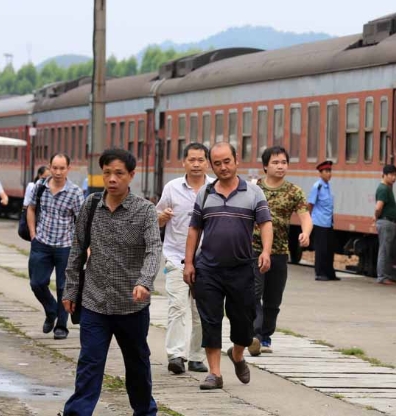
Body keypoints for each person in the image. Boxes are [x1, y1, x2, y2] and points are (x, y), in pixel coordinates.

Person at [62, 148, 161, 416]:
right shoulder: (91, 205)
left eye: (118, 173)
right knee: (90, 363)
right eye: (107, 173)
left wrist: (145, 282)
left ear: (131, 175)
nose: (112, 179)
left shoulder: (145, 211)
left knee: (137, 364)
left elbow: (154, 249)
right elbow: (77, 249)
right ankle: (77, 413)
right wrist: (70, 289)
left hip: (132, 305)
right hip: (95, 303)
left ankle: (144, 411)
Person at [184, 142, 272, 391]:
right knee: (210, 320)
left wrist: (265, 251)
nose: (223, 167)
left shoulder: (254, 193)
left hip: (242, 268)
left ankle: (237, 354)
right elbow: (194, 229)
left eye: (227, 162)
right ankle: (214, 373)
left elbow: (265, 223)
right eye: (218, 163)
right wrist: (189, 262)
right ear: (212, 165)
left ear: (237, 161)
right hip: (208, 269)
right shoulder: (205, 193)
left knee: (244, 322)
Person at [248, 146, 312, 356]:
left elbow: (304, 216)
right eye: (275, 162)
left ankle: (266, 336)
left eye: (283, 162)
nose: (280, 166)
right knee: (254, 294)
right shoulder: (254, 188)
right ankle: (255, 336)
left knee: (273, 299)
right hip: (255, 250)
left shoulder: (294, 191)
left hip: (279, 252)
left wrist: (306, 232)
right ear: (265, 166)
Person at [156, 142, 212, 375]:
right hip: (176, 257)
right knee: (178, 307)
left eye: (200, 160)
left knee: (201, 311)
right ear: (184, 162)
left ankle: (197, 357)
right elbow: (156, 219)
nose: (196, 164)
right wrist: (163, 217)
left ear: (207, 162)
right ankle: (176, 355)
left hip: (207, 259)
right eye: (192, 160)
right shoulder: (172, 188)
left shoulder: (214, 188)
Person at [27, 155, 84, 340]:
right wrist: (33, 234)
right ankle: (51, 310)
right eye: (55, 168)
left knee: (63, 287)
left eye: (62, 168)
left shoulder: (75, 192)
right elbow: (31, 208)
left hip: (65, 246)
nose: (58, 172)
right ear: (49, 167)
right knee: (37, 283)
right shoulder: (40, 186)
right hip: (41, 243)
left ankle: (61, 325)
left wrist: (83, 246)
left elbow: (81, 221)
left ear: (68, 168)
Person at [307, 160, 338, 281]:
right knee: (321, 249)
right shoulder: (317, 186)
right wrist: (308, 221)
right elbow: (310, 204)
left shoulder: (328, 186)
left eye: (330, 171)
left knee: (330, 249)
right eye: (326, 171)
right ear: (320, 173)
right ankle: (319, 273)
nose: (329, 173)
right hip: (319, 222)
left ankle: (330, 273)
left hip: (328, 223)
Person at [374, 164, 396, 285]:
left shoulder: (387, 188)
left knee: (388, 250)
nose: (394, 178)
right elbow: (378, 207)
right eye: (391, 175)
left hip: (389, 222)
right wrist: (376, 216)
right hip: (385, 222)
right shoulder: (383, 189)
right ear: (384, 175)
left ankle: (387, 275)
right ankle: (382, 277)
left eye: (395, 175)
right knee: (384, 250)